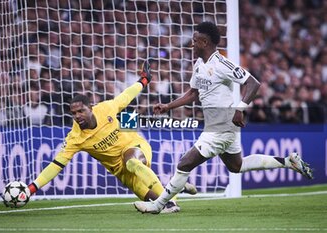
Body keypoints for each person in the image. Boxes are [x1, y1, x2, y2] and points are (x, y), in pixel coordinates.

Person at [134, 22, 313, 214]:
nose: (191, 44)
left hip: (222, 125)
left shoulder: (222, 64)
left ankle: (159, 205)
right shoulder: (199, 64)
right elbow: (194, 93)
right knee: (237, 166)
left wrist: (240, 108)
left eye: (194, 41)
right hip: (216, 124)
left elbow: (253, 83)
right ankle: (288, 161)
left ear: (204, 42)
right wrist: (169, 106)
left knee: (184, 163)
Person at [25, 60, 196, 214]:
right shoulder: (75, 138)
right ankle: (176, 187)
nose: (77, 116)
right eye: (74, 113)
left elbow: (126, 96)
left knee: (132, 161)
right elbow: (55, 166)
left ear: (90, 108)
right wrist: (31, 189)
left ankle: (171, 203)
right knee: (150, 197)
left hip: (135, 146)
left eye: (81, 111)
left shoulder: (105, 108)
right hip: (121, 172)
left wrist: (144, 80)